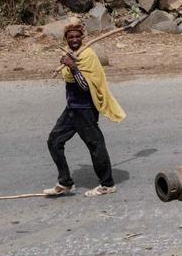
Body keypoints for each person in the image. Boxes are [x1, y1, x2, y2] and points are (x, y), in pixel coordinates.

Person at [44, 20, 125, 197]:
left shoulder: (87, 55)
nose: (74, 39)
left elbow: (86, 86)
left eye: (77, 36)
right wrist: (69, 64)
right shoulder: (70, 54)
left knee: (96, 146)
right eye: (70, 37)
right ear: (66, 39)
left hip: (85, 110)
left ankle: (107, 184)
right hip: (72, 109)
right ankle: (65, 182)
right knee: (54, 142)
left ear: (82, 38)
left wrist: (73, 68)